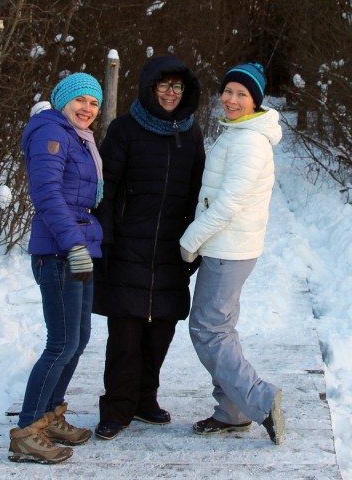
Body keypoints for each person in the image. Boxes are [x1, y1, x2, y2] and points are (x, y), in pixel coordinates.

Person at [93, 55, 205, 441]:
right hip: (128, 246)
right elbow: (104, 189)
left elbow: (197, 192)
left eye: (177, 86)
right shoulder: (124, 129)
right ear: (149, 88)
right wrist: (105, 239)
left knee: (160, 332)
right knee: (125, 334)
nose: (171, 93)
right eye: (163, 86)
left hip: (172, 250)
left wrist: (196, 243)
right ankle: (117, 408)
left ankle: (145, 400)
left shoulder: (191, 133)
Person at [178, 62, 286, 445]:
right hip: (229, 246)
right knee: (220, 329)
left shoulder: (249, 142)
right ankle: (232, 410)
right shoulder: (239, 132)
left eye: (242, 94)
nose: (232, 99)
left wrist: (190, 241)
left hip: (228, 248)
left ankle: (259, 398)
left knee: (207, 329)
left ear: (255, 100)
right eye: (228, 91)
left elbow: (228, 205)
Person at [9, 72, 105, 464]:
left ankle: (50, 416)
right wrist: (73, 245)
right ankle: (27, 431)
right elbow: (46, 194)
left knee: (77, 339)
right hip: (60, 251)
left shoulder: (77, 138)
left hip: (77, 248)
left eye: (94, 103)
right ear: (63, 101)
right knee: (60, 344)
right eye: (80, 100)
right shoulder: (51, 133)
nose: (87, 109)